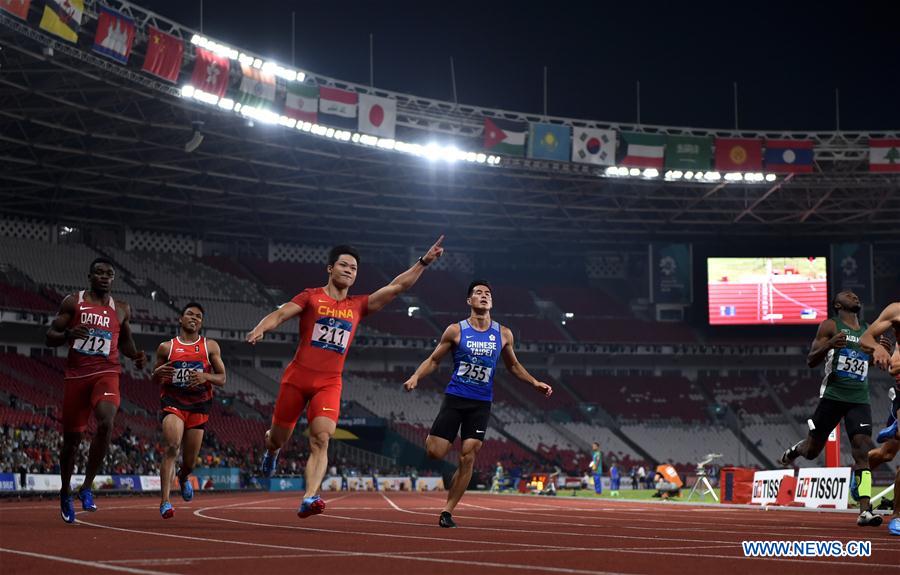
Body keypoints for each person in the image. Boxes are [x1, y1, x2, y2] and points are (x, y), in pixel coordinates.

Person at [247, 238, 445, 518]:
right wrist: (261, 327)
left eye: (354, 268)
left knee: (321, 438)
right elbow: (281, 314)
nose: (349, 270)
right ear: (330, 268)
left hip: (329, 383)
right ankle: (272, 450)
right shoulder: (311, 297)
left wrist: (423, 262)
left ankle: (309, 497)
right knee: (278, 438)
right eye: (344, 265)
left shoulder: (358, 305)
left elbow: (397, 287)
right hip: (297, 378)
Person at [402, 280, 553, 527]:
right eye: (478, 293)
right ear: (469, 300)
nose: (484, 295)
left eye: (487, 293)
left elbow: (513, 366)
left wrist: (534, 382)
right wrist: (416, 376)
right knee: (435, 452)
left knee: (468, 456)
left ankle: (447, 511)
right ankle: (438, 440)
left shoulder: (503, 334)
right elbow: (434, 360)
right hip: (455, 398)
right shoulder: (455, 330)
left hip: (481, 403)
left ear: (491, 301)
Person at [45, 257, 147, 523]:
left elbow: (125, 342)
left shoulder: (121, 308)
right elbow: (49, 336)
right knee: (72, 442)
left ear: (113, 278)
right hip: (77, 376)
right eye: (99, 272)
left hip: (107, 373)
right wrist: (68, 336)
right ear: (90, 276)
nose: (104, 277)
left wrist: (135, 355)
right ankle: (65, 491)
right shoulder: (73, 302)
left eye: (108, 273)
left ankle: (87, 487)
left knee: (106, 422)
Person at [778, 290, 882, 527]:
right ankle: (797, 449)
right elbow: (811, 360)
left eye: (856, 295)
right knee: (812, 451)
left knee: (862, 450)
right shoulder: (830, 326)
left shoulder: (868, 330)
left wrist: (879, 354)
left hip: (859, 398)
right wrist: (830, 345)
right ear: (837, 305)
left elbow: (868, 363)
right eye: (848, 295)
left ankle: (864, 511)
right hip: (833, 396)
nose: (854, 296)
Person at [151, 302, 226, 519]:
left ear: (201, 323)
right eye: (190, 314)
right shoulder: (166, 347)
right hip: (173, 402)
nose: (194, 318)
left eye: (198, 316)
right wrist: (157, 374)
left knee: (190, 462)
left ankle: (183, 477)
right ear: (180, 319)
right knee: (172, 447)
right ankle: (165, 502)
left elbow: (222, 378)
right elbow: (155, 377)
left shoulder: (210, 347)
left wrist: (205, 376)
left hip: (198, 405)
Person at [859, 302, 900, 535]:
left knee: (887, 453)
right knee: (886, 455)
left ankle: (896, 429)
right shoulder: (896, 311)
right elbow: (866, 337)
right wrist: (877, 348)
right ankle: (898, 515)